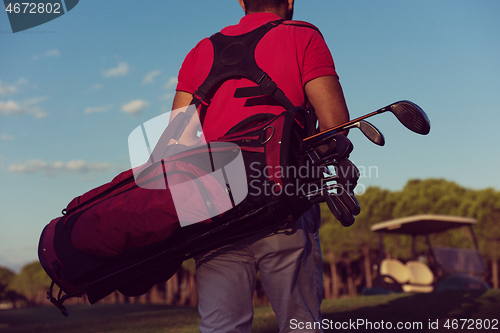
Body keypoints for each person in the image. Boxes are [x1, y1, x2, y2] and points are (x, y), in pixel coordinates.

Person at [171, 0, 350, 332]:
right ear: (291, 0)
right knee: (301, 324)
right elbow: (335, 124)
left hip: (214, 209)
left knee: (221, 327)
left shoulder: (200, 51)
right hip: (283, 202)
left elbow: (176, 144)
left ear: (241, 1)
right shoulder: (303, 36)